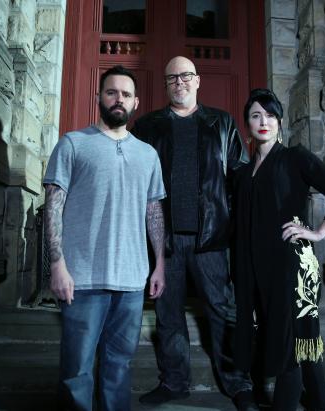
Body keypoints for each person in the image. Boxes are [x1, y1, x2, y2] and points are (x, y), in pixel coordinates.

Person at [131, 56, 256, 410]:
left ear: (198, 81)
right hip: (164, 240)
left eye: (186, 76)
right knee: (168, 314)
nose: (180, 82)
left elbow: (239, 178)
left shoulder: (222, 122)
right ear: (166, 85)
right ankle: (174, 382)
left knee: (221, 310)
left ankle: (238, 383)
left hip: (211, 239)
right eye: (173, 78)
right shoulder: (148, 127)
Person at [43, 65, 167, 411]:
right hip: (81, 279)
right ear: (99, 97)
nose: (118, 99)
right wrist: (57, 264)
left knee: (119, 368)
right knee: (76, 372)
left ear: (136, 103)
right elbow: (53, 206)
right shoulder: (73, 144)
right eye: (111, 92)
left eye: (126, 94)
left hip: (131, 281)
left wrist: (159, 265)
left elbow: (153, 212)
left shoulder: (147, 154)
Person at [232, 89, 325, 411]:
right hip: (260, 268)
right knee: (301, 340)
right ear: (246, 123)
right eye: (256, 115)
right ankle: (320, 404)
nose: (264, 122)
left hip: (294, 266)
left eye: (271, 115)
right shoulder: (242, 173)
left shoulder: (295, 157)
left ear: (280, 121)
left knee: (290, 340)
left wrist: (318, 232)